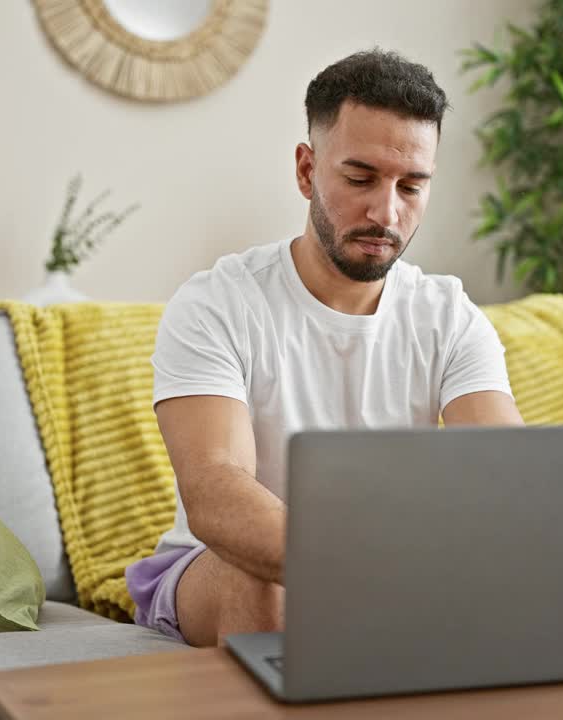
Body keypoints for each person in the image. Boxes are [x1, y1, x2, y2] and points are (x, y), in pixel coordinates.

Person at [124, 48, 524, 648]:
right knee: (269, 583)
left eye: (411, 186)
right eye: (360, 179)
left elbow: (511, 473)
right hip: (214, 566)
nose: (385, 211)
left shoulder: (449, 315)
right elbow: (214, 488)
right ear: (308, 171)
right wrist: (372, 566)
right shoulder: (216, 303)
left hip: (386, 568)